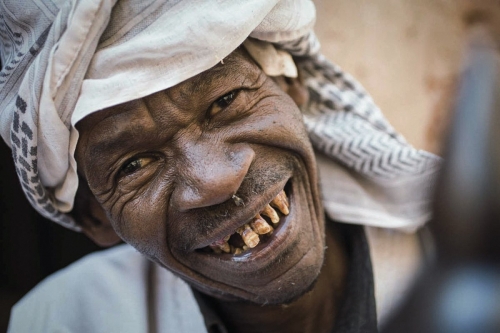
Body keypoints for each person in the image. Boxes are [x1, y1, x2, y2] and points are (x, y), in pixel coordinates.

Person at [0, 0, 441, 332]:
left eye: (226, 101)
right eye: (135, 164)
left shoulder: (460, 262)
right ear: (95, 217)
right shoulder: (59, 321)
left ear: (292, 85)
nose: (216, 180)